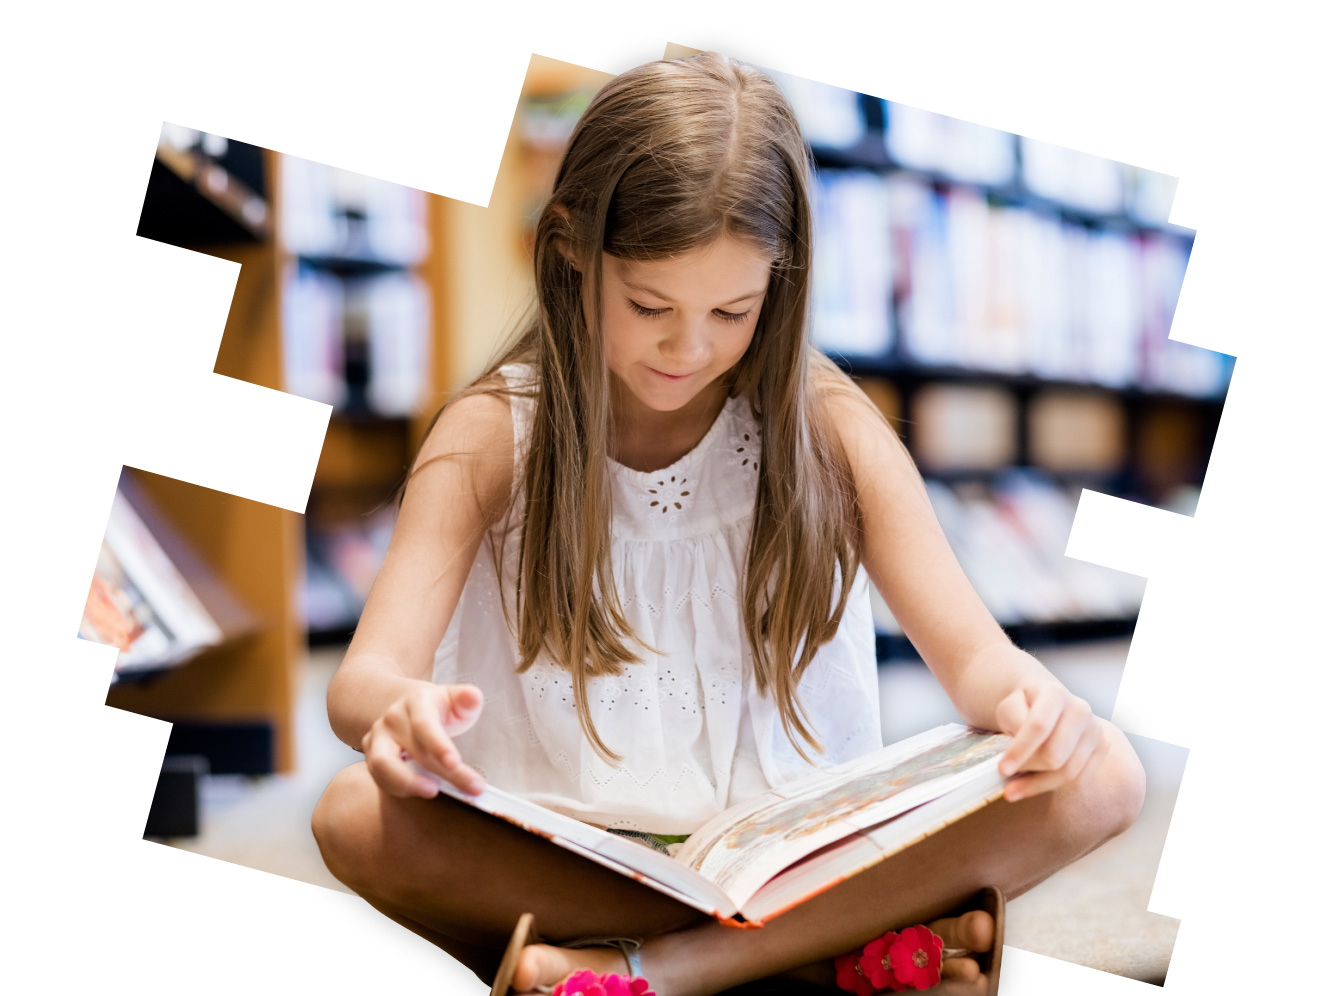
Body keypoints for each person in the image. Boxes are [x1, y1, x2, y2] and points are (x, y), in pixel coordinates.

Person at [311, 51, 1146, 996]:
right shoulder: (493, 433)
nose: (689, 347)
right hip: (578, 848)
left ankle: (660, 970)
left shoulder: (826, 425)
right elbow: (363, 679)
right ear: (571, 251)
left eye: (733, 310)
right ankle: (818, 955)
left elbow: (978, 661)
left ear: (779, 289)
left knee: (1105, 772)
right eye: (649, 306)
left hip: (798, 846)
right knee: (354, 814)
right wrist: (398, 713)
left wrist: (1031, 707)